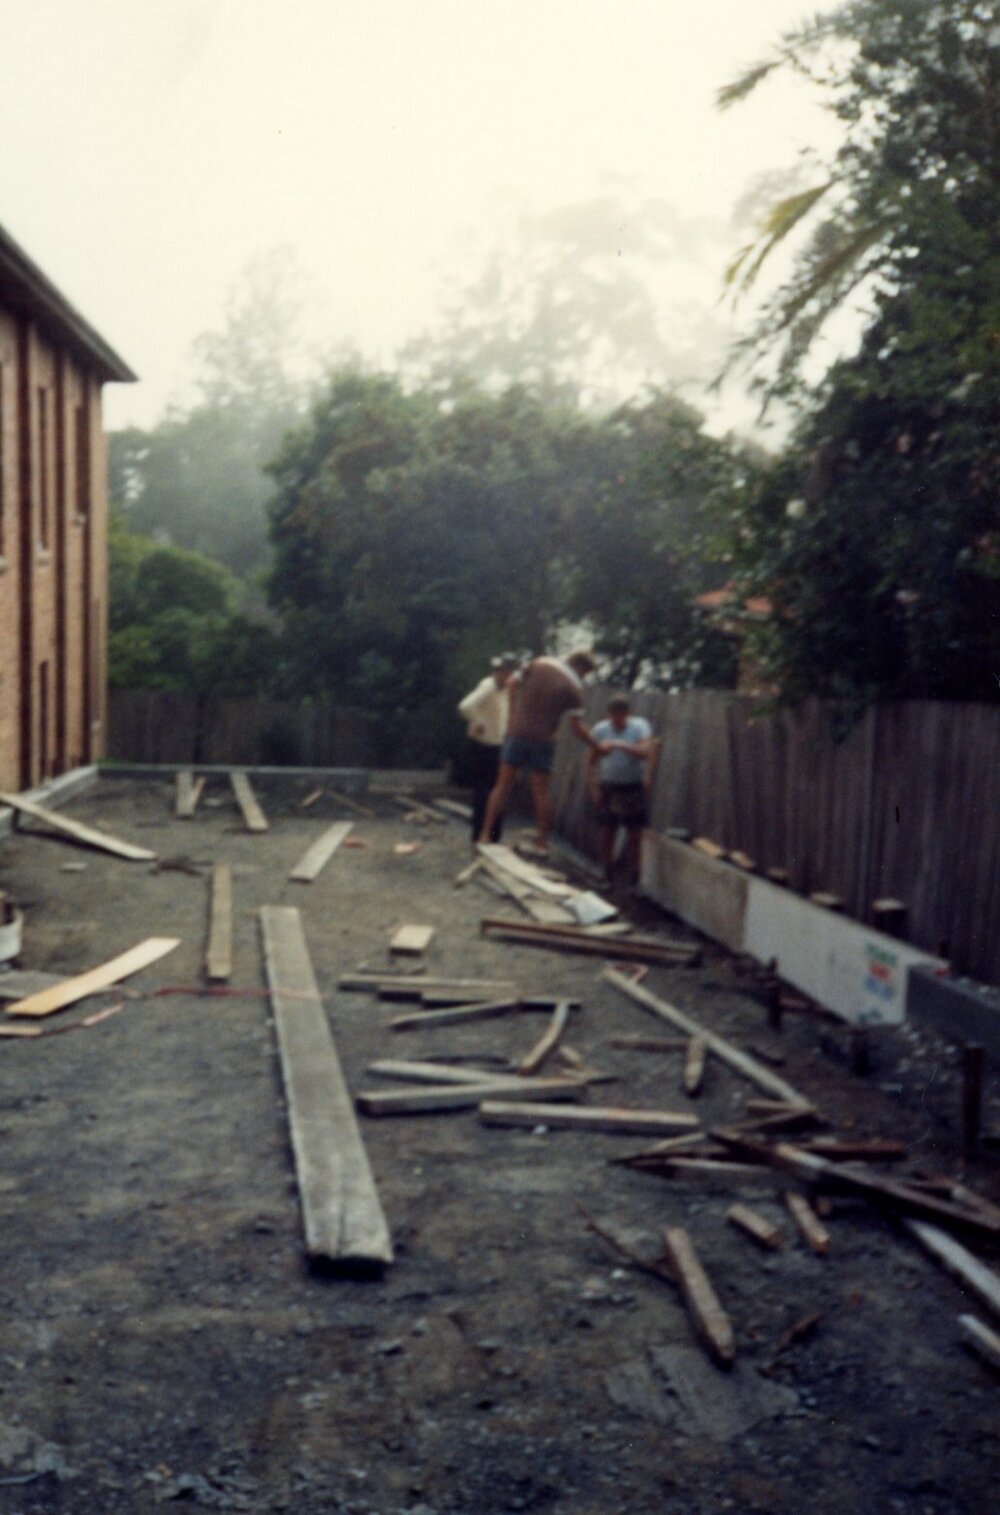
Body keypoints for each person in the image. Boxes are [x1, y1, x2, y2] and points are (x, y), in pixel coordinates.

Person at [478, 649, 600, 853]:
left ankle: (484, 835)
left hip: (517, 733)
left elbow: (510, 684)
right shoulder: (575, 688)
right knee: (541, 792)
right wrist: (596, 745)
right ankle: (542, 842)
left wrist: (512, 715)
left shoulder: (539, 663)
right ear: (581, 667)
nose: (584, 677)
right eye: (585, 673)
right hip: (544, 739)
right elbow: (576, 727)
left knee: (501, 786)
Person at [587, 693, 655, 887]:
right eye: (614, 715)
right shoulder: (601, 729)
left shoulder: (639, 727)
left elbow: (645, 752)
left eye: (621, 715)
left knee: (635, 834)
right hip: (608, 784)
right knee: (607, 831)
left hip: (632, 785)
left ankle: (635, 877)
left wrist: (618, 744)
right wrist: (593, 787)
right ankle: (606, 873)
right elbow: (591, 761)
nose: (617, 720)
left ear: (628, 714)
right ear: (609, 714)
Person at [457, 653, 519, 842]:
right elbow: (465, 706)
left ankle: (492, 835)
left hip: (498, 745)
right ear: (500, 672)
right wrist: (477, 722)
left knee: (497, 791)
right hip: (484, 746)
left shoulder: (506, 690)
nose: (509, 675)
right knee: (485, 793)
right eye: (505, 671)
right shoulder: (489, 686)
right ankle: (480, 835)